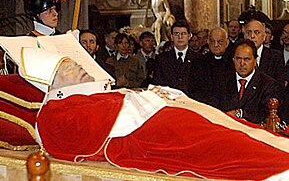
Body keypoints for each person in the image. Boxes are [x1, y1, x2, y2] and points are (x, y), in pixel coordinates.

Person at [16, 47, 289, 180]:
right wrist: (140, 100)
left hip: (163, 111)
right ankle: (278, 165)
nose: (83, 71)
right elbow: (92, 131)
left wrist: (147, 96)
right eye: (73, 71)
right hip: (150, 128)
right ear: (59, 84)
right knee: (218, 141)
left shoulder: (87, 96)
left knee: (228, 125)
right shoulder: (57, 110)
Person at [220, 39, 284, 123]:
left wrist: (240, 113)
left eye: (246, 59)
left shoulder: (268, 84)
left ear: (255, 61)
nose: (242, 63)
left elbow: (266, 114)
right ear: (233, 60)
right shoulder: (222, 81)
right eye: (238, 59)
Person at [189, 27, 234, 108]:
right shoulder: (199, 63)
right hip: (206, 108)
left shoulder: (233, 62)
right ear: (208, 42)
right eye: (212, 42)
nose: (216, 45)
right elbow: (194, 89)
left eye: (220, 42)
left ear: (227, 43)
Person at [152, 20, 199, 94]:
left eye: (183, 33)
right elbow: (157, 84)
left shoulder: (198, 59)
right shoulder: (162, 59)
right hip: (170, 101)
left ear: (189, 36)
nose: (180, 37)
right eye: (176, 34)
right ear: (171, 37)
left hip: (192, 101)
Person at [243, 19, 285, 85]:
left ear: (264, 36)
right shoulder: (236, 56)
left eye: (257, 32)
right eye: (249, 32)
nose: (252, 36)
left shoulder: (275, 57)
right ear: (244, 36)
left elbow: (279, 85)